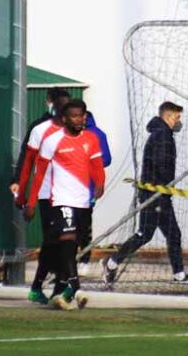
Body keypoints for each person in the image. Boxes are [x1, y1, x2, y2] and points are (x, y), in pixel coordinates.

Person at [25, 99, 105, 310]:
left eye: (82, 115)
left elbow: (97, 164)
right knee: (67, 241)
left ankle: (44, 287)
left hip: (82, 201)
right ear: (64, 119)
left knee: (59, 245)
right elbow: (39, 172)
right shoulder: (52, 140)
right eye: (75, 116)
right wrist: (31, 201)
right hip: (60, 200)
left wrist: (100, 184)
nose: (79, 120)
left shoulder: (91, 139)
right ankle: (75, 289)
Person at [102, 102, 188, 287]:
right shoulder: (162, 136)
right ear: (167, 117)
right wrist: (163, 186)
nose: (178, 121)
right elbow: (160, 165)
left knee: (167, 233)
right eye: (177, 117)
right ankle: (111, 262)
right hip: (154, 194)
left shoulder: (163, 134)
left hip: (159, 194)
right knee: (148, 234)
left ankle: (179, 273)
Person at [13, 90, 70, 304]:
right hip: (47, 194)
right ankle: (49, 286)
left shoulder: (75, 132)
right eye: (62, 106)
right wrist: (25, 198)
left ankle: (53, 286)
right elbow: (28, 164)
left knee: (65, 241)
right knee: (54, 241)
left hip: (70, 195)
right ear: (54, 106)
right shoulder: (40, 130)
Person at [77, 111, 112, 277]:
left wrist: (88, 161)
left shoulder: (97, 134)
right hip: (68, 189)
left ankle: (84, 261)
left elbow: (106, 159)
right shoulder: (70, 133)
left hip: (87, 189)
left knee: (84, 227)